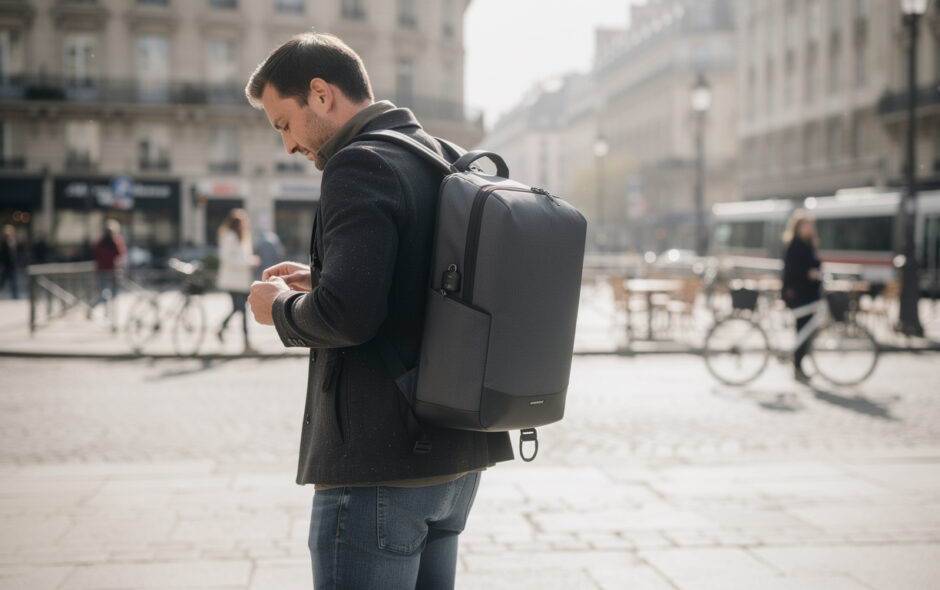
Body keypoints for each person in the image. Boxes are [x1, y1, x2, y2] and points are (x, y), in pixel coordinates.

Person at [244, 33, 513, 589]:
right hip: (456, 455)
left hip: (380, 465)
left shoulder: (357, 164)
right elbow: (422, 278)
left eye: (283, 124)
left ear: (321, 94)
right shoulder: (438, 155)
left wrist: (282, 310)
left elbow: (348, 317)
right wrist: (323, 277)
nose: (288, 144)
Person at [782, 210, 821, 384]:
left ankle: (798, 364)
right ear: (797, 228)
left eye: (809, 226)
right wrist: (808, 273)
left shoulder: (808, 244)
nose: (808, 229)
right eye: (805, 226)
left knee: (807, 330)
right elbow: (791, 271)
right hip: (799, 294)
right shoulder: (795, 245)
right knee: (802, 331)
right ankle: (797, 366)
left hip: (809, 294)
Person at [215, 208, 259, 353]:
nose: (246, 224)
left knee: (240, 309)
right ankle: (244, 341)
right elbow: (227, 258)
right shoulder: (229, 237)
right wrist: (248, 262)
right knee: (240, 309)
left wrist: (250, 260)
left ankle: (226, 331)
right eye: (243, 222)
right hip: (232, 280)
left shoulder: (243, 237)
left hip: (242, 281)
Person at [89, 219, 126, 317]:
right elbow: (120, 254)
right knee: (106, 295)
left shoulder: (101, 242)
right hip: (108, 271)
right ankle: (104, 312)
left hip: (105, 271)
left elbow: (95, 254)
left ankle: (106, 313)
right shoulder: (114, 242)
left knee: (105, 294)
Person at [0, 224, 19, 299]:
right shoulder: (4, 242)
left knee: (14, 281)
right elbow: (2, 254)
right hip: (6, 266)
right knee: (2, 282)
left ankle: (15, 296)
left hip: (12, 266)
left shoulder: (13, 241)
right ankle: (15, 295)